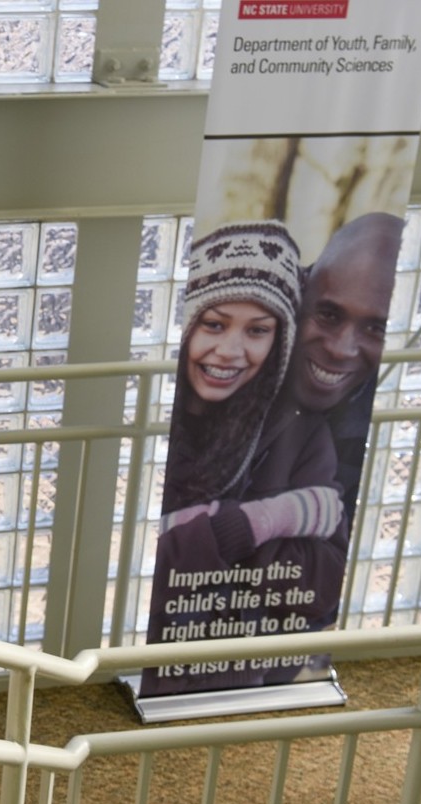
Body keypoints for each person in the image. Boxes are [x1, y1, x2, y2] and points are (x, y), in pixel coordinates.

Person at [142, 220, 347, 697]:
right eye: (214, 324)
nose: (231, 351)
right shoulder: (147, 425)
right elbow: (134, 568)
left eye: (258, 330)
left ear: (281, 339)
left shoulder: (301, 432)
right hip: (149, 664)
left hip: (252, 673)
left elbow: (320, 585)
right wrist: (266, 520)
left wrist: (210, 535)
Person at [290, 212, 403, 521]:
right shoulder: (240, 367)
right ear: (299, 295)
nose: (341, 349)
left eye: (375, 329)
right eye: (328, 315)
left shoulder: (377, 425)